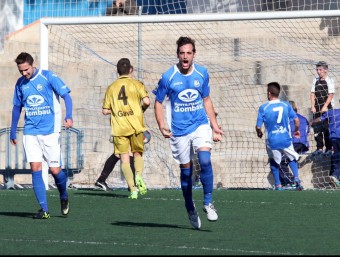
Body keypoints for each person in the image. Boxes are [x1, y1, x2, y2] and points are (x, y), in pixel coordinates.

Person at [153, 36, 224, 229]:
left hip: (200, 124)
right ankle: (189, 206)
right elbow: (158, 103)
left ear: (194, 54)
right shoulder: (168, 77)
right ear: (177, 55)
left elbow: (206, 100)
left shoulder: (202, 73)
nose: (185, 56)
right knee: (186, 172)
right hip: (179, 130)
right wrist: (161, 125)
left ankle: (208, 202)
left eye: (189, 53)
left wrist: (215, 125)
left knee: (205, 160)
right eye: (182, 53)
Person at [10, 52, 73, 219]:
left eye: (26, 69)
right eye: (21, 70)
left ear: (33, 64)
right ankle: (44, 210)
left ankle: (63, 194)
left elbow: (66, 95)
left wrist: (69, 116)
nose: (24, 73)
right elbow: (17, 108)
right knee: (35, 168)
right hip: (30, 132)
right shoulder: (20, 83)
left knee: (55, 170)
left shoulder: (48, 76)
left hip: (50, 131)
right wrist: (13, 129)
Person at [102, 58, 150, 199]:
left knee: (124, 159)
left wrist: (117, 111)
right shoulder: (137, 84)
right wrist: (140, 110)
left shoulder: (111, 87)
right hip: (136, 125)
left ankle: (133, 190)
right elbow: (147, 101)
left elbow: (105, 110)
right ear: (131, 70)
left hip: (120, 127)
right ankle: (139, 176)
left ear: (117, 71)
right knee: (137, 154)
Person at [256, 82, 303, 191]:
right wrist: (296, 130)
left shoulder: (264, 107)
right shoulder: (286, 105)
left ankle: (278, 184)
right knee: (292, 157)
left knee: (273, 160)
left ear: (269, 93)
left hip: (272, 140)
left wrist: (259, 132)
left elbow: (258, 126)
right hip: (285, 138)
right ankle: (296, 177)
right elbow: (296, 120)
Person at [279, 101, 310, 188]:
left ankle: (290, 182)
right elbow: (307, 130)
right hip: (303, 144)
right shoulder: (303, 118)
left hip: (292, 142)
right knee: (290, 159)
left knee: (280, 162)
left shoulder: (286, 118)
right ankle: (294, 179)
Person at [310, 61, 335, 156]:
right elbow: (312, 94)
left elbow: (330, 95)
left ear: (325, 70)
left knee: (326, 129)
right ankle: (319, 148)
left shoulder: (330, 80)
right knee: (317, 129)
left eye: (320, 69)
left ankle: (329, 148)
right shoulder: (315, 80)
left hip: (327, 109)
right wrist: (313, 106)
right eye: (317, 69)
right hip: (317, 108)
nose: (318, 71)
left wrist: (325, 107)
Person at [310, 108, 340, 188]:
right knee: (337, 157)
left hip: (334, 137)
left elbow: (320, 118)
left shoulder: (332, 112)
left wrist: (311, 122)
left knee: (336, 156)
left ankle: (333, 177)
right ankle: (335, 175)